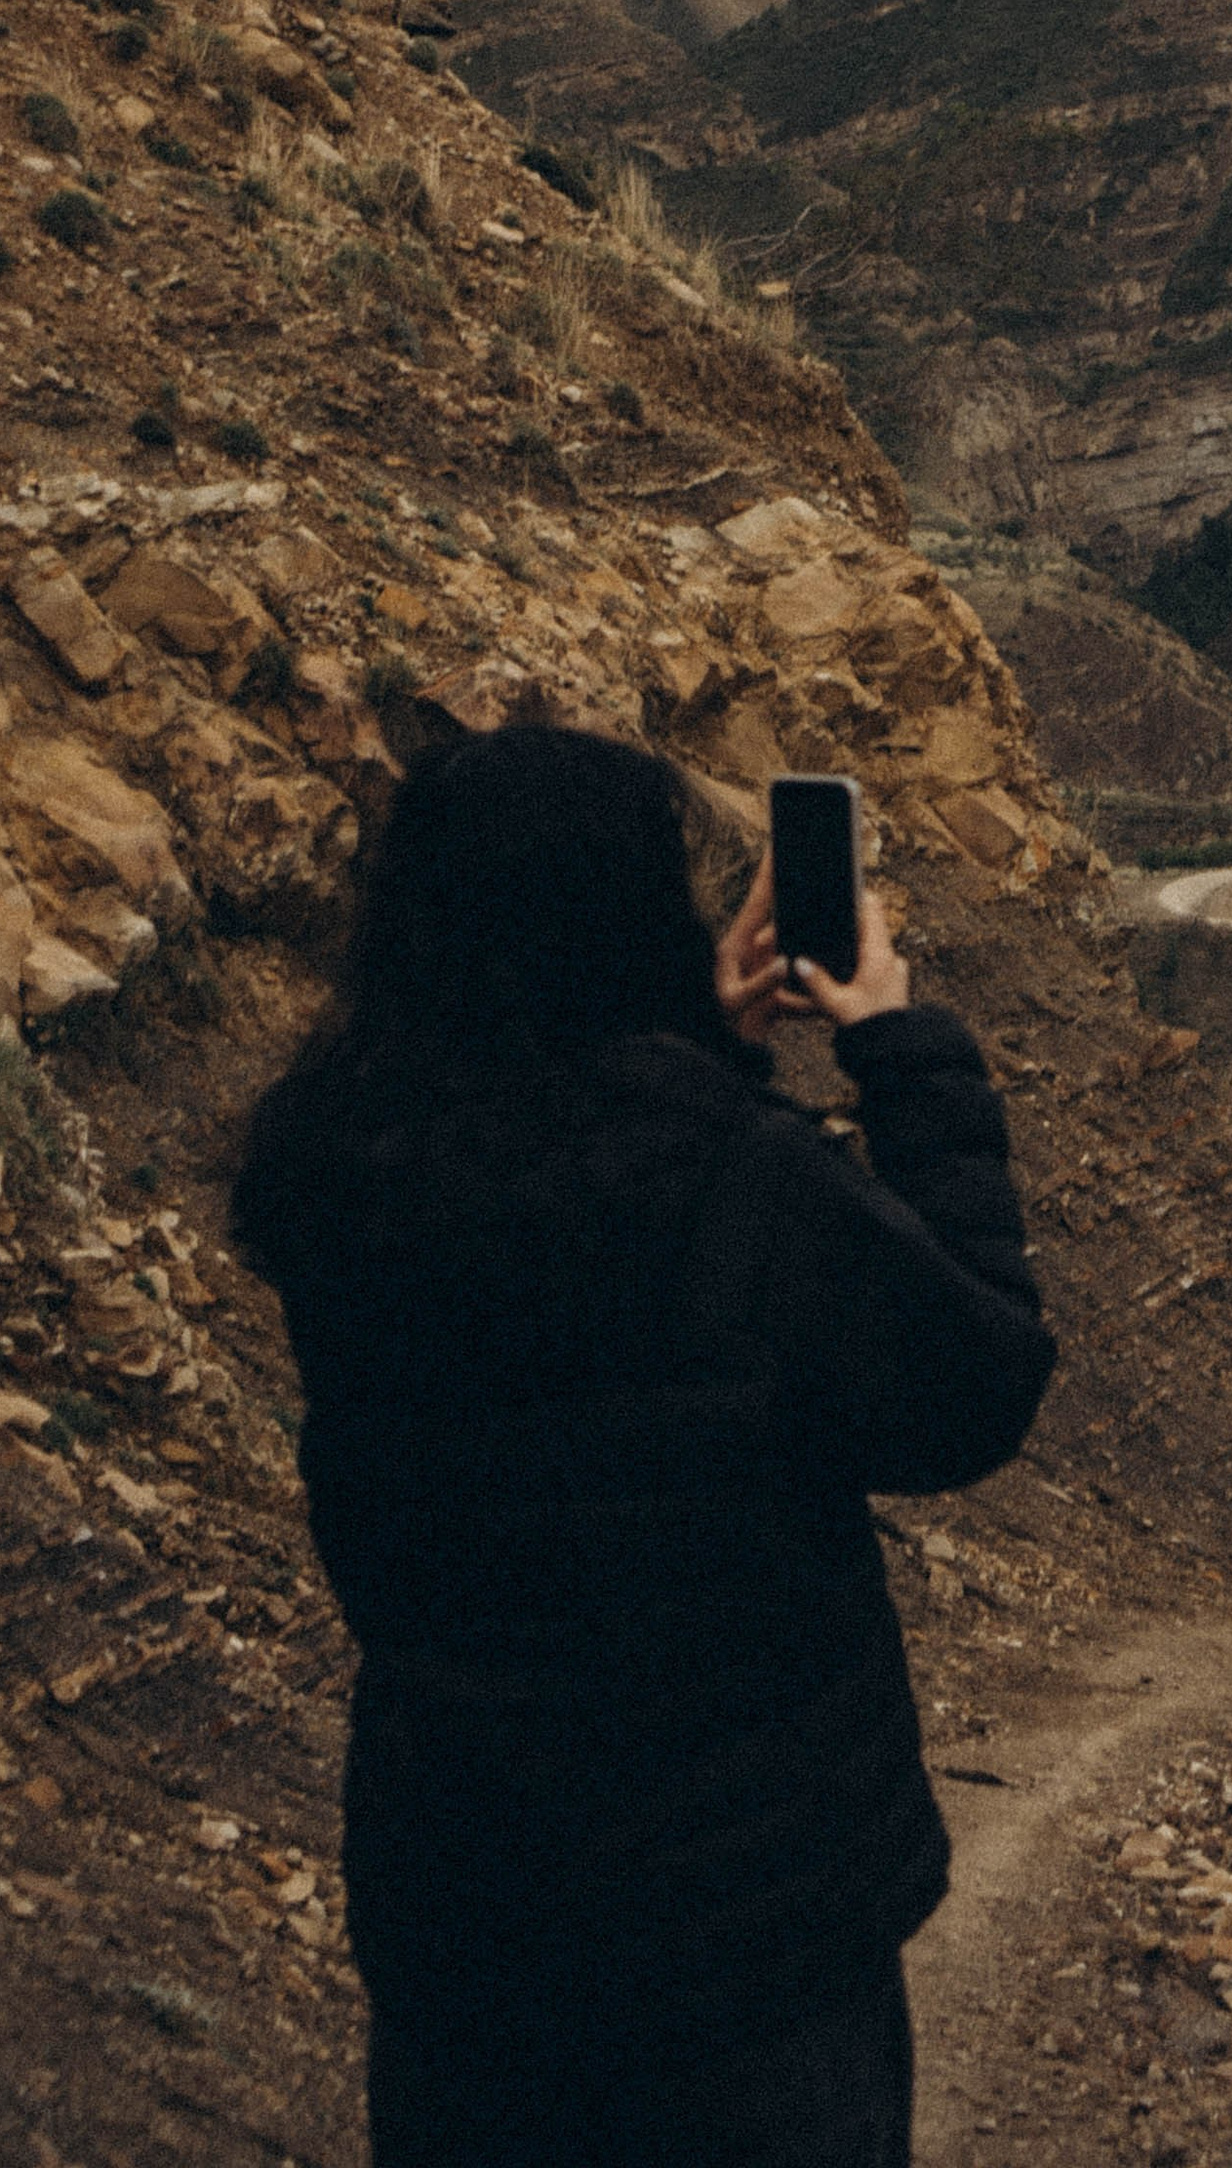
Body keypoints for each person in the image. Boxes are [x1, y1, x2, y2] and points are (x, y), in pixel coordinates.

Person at [231, 721, 1056, 2167]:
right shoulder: (728, 1179)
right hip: (744, 1946)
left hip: (468, 1921)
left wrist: (700, 1051)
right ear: (626, 915)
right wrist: (899, 1053)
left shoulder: (336, 1179)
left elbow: (551, 1215)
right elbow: (974, 1381)